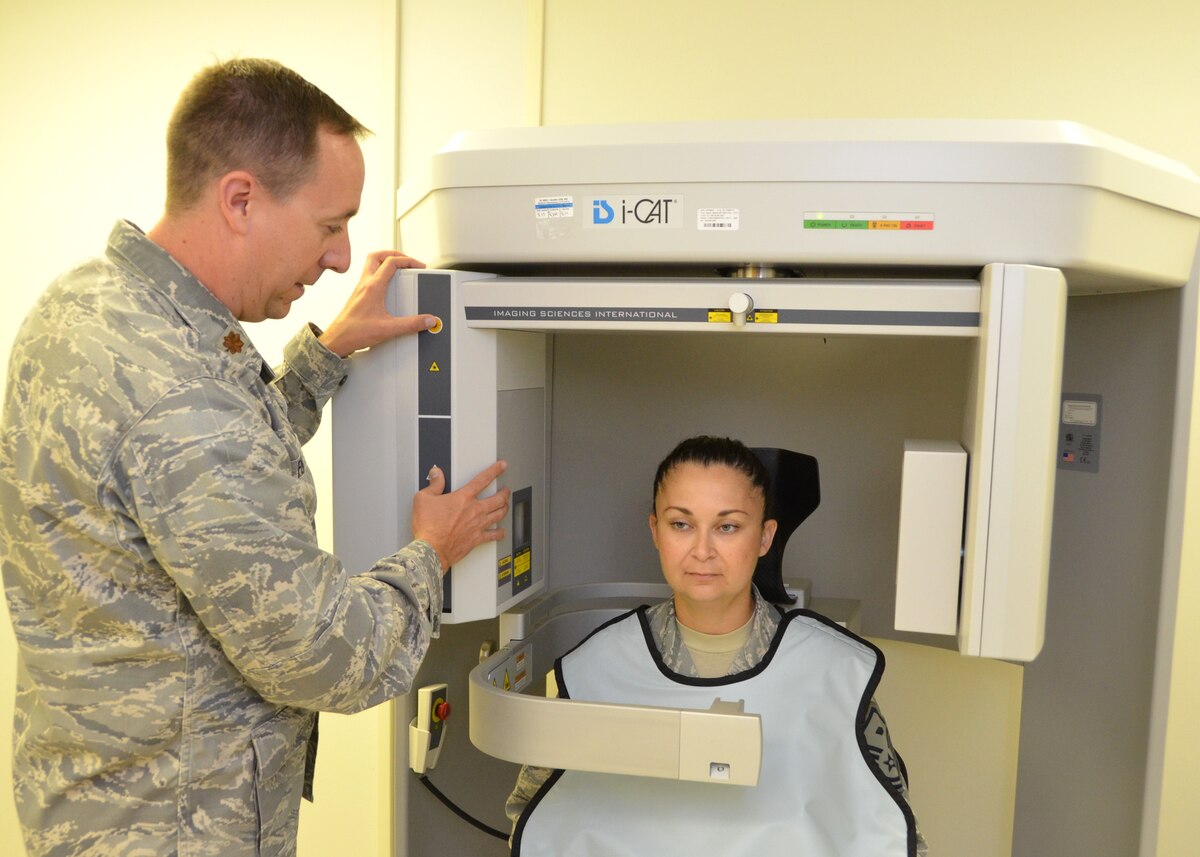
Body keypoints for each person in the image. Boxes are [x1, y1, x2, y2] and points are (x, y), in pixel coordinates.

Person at [0, 58, 508, 857]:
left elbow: (182, 481)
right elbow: (327, 656)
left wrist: (325, 355)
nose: (342, 257)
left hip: (88, 803)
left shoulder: (83, 308)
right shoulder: (184, 400)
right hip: (178, 830)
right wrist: (431, 554)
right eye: (329, 224)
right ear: (240, 199)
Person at [506, 436, 926, 856]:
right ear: (655, 530)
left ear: (764, 537)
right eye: (681, 524)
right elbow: (532, 822)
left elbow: (895, 832)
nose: (702, 551)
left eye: (728, 526)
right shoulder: (593, 672)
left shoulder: (835, 674)